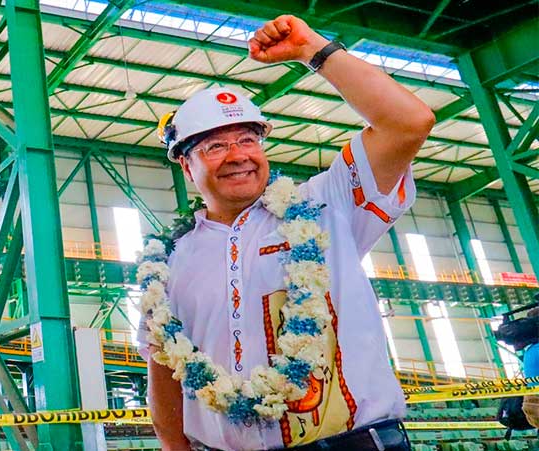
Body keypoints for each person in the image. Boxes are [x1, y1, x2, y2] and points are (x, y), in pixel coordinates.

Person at [138, 15, 435, 451]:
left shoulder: (326, 206)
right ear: (186, 165)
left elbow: (409, 122)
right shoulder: (169, 262)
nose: (237, 155)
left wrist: (312, 49)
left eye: (248, 140)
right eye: (215, 146)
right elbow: (163, 370)